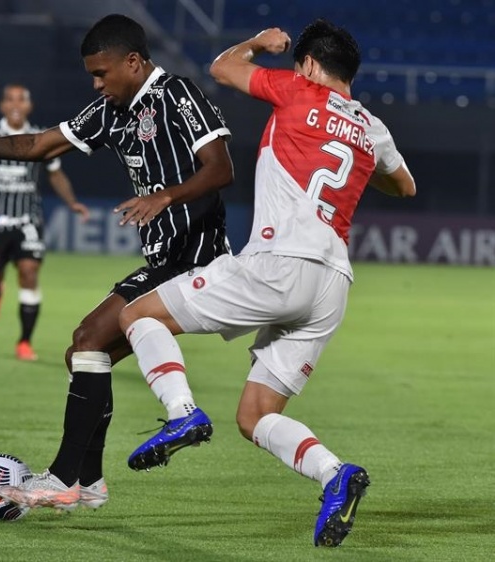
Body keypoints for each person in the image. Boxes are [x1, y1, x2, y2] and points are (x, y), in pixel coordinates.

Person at [0, 14, 235, 510]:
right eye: (91, 76)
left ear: (133, 61)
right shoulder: (110, 111)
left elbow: (222, 168)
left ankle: (65, 478)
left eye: (102, 73)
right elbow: (38, 145)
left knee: (87, 340)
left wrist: (165, 196)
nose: (96, 84)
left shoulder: (177, 94)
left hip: (197, 258)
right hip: (164, 259)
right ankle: (90, 482)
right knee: (84, 352)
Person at [116, 20, 416, 547]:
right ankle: (335, 474)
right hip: (332, 284)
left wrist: (256, 43)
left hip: (280, 262)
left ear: (309, 65)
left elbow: (222, 68)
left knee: (137, 315)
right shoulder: (373, 127)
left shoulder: (297, 88)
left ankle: (181, 412)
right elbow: (405, 186)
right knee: (255, 416)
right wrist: (356, 156)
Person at [0, 83, 90, 361]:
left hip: (29, 219)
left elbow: (55, 173)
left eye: (21, 100)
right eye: (10, 99)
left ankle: (25, 342)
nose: (16, 105)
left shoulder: (40, 136)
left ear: (29, 106)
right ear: (2, 105)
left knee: (29, 273)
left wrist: (71, 202)